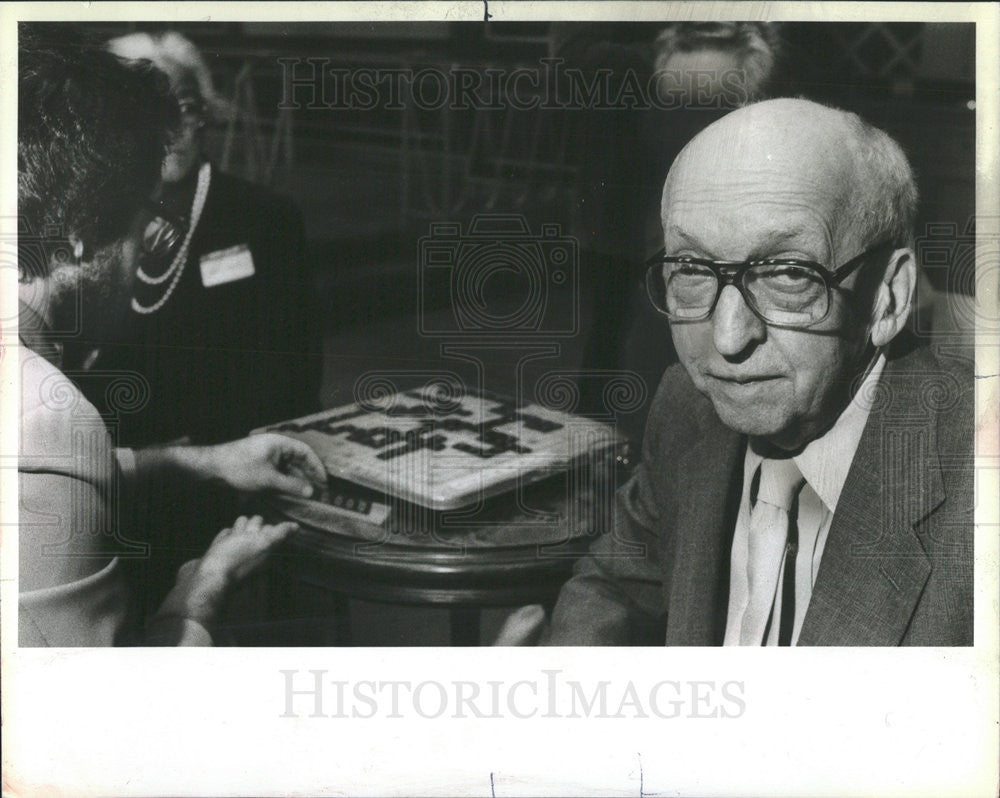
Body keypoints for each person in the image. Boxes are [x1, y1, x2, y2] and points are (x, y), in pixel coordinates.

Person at [531, 97, 973, 646]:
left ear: (887, 297)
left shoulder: (978, 495)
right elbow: (617, 584)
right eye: (691, 268)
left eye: (788, 273)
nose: (728, 338)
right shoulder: (688, 408)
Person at [17, 30, 326, 646]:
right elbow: (96, 717)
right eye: (143, 223)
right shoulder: (50, 416)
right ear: (80, 240)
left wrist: (203, 461)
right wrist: (199, 595)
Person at [85, 30, 321, 448]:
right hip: (117, 462)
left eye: (187, 107)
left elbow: (292, 378)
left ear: (204, 116)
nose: (173, 127)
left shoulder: (263, 219)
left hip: (232, 462)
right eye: (151, 109)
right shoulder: (91, 223)